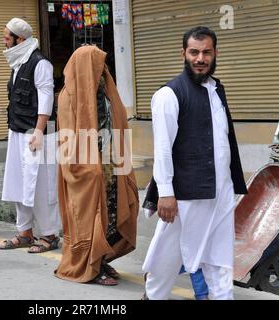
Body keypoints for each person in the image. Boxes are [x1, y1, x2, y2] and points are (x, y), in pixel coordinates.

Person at [142, 26, 247, 300]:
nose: (200, 58)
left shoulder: (216, 89)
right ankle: (154, 296)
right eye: (194, 52)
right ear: (183, 54)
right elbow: (163, 148)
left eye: (206, 52)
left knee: (219, 258)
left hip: (220, 192)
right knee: (166, 258)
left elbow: (222, 139)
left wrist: (231, 184)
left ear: (215, 54)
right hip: (184, 196)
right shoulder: (169, 95)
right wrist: (165, 192)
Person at [54, 46, 139, 286]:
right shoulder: (69, 96)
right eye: (97, 65)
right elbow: (68, 143)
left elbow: (118, 123)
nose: (103, 70)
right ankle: (91, 264)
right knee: (90, 218)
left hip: (110, 166)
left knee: (111, 217)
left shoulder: (104, 91)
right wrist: (90, 169)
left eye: (103, 65)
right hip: (87, 173)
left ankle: (101, 259)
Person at [0, 18, 61, 253]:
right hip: (17, 131)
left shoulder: (39, 63)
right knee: (18, 183)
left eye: (7, 38)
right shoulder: (18, 62)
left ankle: (49, 235)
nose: (4, 42)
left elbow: (46, 96)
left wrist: (39, 130)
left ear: (20, 39)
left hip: (36, 134)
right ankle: (24, 232)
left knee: (41, 185)